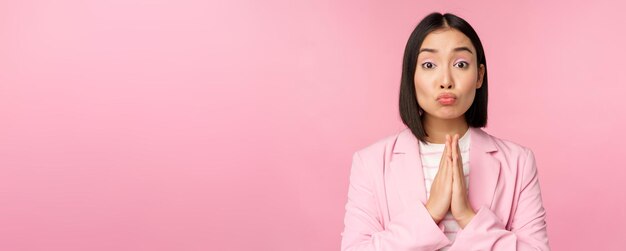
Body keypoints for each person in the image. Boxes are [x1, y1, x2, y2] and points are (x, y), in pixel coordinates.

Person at [340, 12, 550, 250]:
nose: (446, 80)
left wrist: (467, 217)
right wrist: (430, 214)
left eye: (460, 64)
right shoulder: (370, 163)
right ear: (411, 75)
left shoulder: (518, 162)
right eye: (429, 65)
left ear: (479, 75)